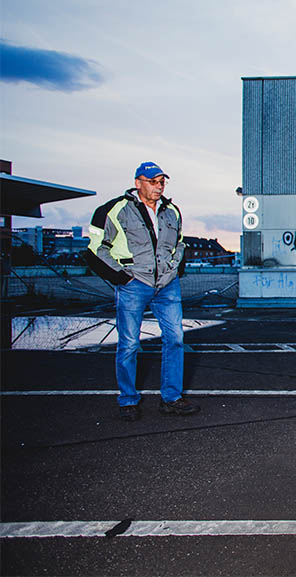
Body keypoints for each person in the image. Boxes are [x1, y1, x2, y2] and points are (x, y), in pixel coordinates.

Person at [85, 162, 200, 421]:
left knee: (176, 339)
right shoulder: (115, 210)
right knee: (129, 344)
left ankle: (171, 398)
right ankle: (128, 400)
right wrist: (122, 277)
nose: (159, 186)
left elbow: (179, 244)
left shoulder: (172, 211)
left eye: (162, 181)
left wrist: (174, 268)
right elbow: (95, 248)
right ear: (138, 183)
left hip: (167, 285)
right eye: (153, 181)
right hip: (134, 284)